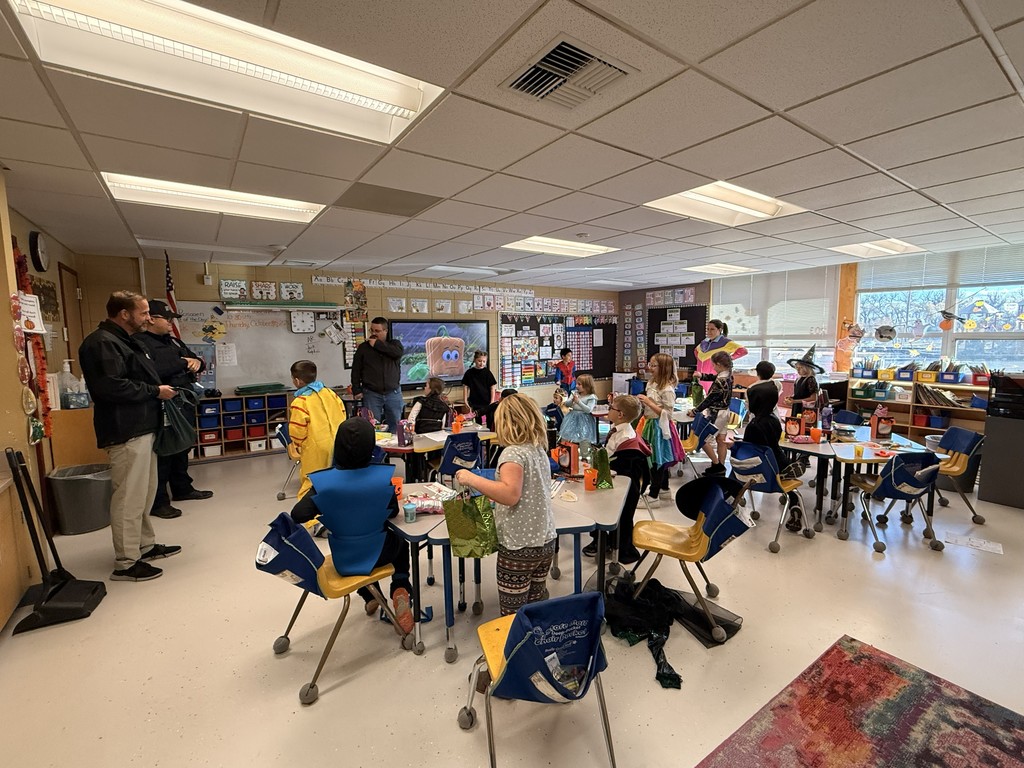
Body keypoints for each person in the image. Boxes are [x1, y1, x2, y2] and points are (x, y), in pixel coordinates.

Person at [79, 291, 180, 582]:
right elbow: (110, 388)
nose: (148, 318)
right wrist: (154, 391)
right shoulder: (102, 343)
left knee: (145, 492)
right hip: (125, 430)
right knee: (128, 497)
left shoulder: (126, 340)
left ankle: (144, 546)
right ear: (124, 314)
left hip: (142, 426)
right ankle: (126, 562)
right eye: (144, 313)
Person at [290, 418, 414, 632]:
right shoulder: (381, 477)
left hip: (344, 559)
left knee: (357, 557)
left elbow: (298, 514)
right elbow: (392, 511)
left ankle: (369, 595)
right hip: (381, 552)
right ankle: (400, 588)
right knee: (400, 543)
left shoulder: (325, 484)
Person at [455, 394, 556, 616]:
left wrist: (471, 479)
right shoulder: (537, 449)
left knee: (513, 614)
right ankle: (532, 647)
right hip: (545, 540)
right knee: (534, 607)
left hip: (519, 546)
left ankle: (513, 649)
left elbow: (510, 495)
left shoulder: (512, 453)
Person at [136, 299, 213, 519]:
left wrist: (196, 361)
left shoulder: (174, 342)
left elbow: (197, 361)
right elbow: (154, 370)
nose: (171, 322)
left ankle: (183, 489)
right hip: (161, 404)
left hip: (183, 402)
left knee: (182, 446)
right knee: (164, 451)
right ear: (151, 319)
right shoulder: (140, 343)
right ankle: (159, 501)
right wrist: (183, 363)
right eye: (167, 318)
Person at [583, 394, 648, 563]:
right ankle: (601, 540)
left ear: (620, 414)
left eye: (611, 407)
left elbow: (618, 466)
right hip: (613, 474)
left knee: (594, 503)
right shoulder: (617, 429)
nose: (608, 409)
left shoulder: (625, 436)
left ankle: (604, 542)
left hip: (620, 481)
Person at [742, 383, 805, 532]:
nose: (747, 403)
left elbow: (748, 447)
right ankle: (794, 503)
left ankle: (731, 503)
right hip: (777, 461)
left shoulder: (753, 425)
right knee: (787, 482)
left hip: (759, 472)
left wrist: (734, 446)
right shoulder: (774, 420)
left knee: (739, 469)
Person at [287, 360, 347, 499]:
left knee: (312, 480)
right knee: (335, 476)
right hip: (337, 442)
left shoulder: (300, 401)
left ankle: (311, 516)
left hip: (315, 448)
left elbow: (297, 429)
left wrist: (297, 445)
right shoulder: (330, 393)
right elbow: (343, 413)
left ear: (297, 381)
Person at [637, 353, 684, 505]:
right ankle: (664, 489)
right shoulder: (652, 383)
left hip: (660, 427)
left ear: (663, 368)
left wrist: (649, 403)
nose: (650, 368)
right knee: (656, 459)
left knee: (657, 461)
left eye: (654, 365)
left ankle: (653, 495)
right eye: (650, 364)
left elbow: (668, 414)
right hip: (650, 423)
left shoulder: (668, 389)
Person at [351, 316, 404, 433]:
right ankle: (377, 451)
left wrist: (377, 345)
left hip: (393, 393)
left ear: (385, 331)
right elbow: (356, 370)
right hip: (371, 393)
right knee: (372, 426)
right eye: (372, 330)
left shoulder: (394, 344)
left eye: (377, 331)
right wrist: (356, 389)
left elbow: (397, 353)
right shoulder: (364, 348)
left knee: (396, 425)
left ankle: (395, 451)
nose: (374, 334)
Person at [690, 351, 734, 476]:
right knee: (721, 439)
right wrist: (702, 375)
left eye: (713, 365)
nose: (713, 368)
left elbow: (709, 399)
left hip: (716, 414)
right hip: (725, 411)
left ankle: (716, 464)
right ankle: (721, 467)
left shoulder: (720, 381)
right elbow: (715, 377)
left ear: (719, 365)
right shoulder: (728, 375)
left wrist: (695, 410)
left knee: (702, 438)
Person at [695, 319, 747, 390]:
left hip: (715, 378)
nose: (709, 332)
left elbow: (743, 350)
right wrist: (700, 360)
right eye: (708, 329)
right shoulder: (704, 342)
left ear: (719, 330)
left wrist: (729, 358)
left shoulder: (726, 342)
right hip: (701, 378)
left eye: (712, 329)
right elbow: (696, 351)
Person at [558, 373, 598, 445]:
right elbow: (567, 404)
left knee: (583, 438)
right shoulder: (574, 393)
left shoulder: (591, 397)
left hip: (585, 419)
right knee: (567, 435)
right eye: (576, 384)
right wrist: (572, 400)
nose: (576, 386)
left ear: (587, 386)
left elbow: (588, 410)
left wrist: (578, 402)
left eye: (579, 384)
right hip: (572, 417)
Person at [785, 346, 824, 418]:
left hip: (807, 409)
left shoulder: (811, 379)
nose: (798, 370)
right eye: (797, 368)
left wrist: (795, 401)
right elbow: (800, 393)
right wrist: (792, 398)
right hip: (797, 407)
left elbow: (813, 398)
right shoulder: (798, 379)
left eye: (801, 368)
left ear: (807, 368)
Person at [461, 350, 496, 417]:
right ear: (475, 360)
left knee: (489, 419)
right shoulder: (469, 372)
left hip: (487, 401)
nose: (482, 363)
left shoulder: (487, 372)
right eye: (479, 361)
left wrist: (492, 401)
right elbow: (465, 386)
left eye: (484, 361)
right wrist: (465, 400)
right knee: (477, 419)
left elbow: (492, 387)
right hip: (475, 401)